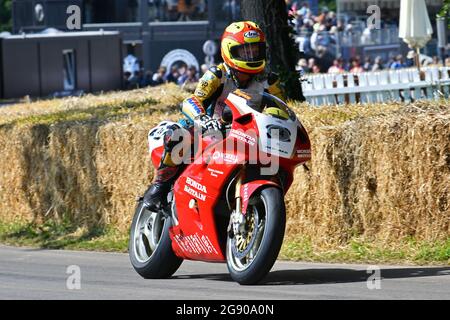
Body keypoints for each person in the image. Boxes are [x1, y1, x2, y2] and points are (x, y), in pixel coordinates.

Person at [142, 21, 285, 210]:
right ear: (229, 51)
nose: (251, 56)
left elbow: (281, 110)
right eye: (244, 52)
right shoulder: (217, 74)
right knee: (179, 137)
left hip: (246, 133)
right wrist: (202, 118)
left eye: (255, 51)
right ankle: (159, 186)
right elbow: (192, 101)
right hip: (211, 130)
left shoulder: (270, 80)